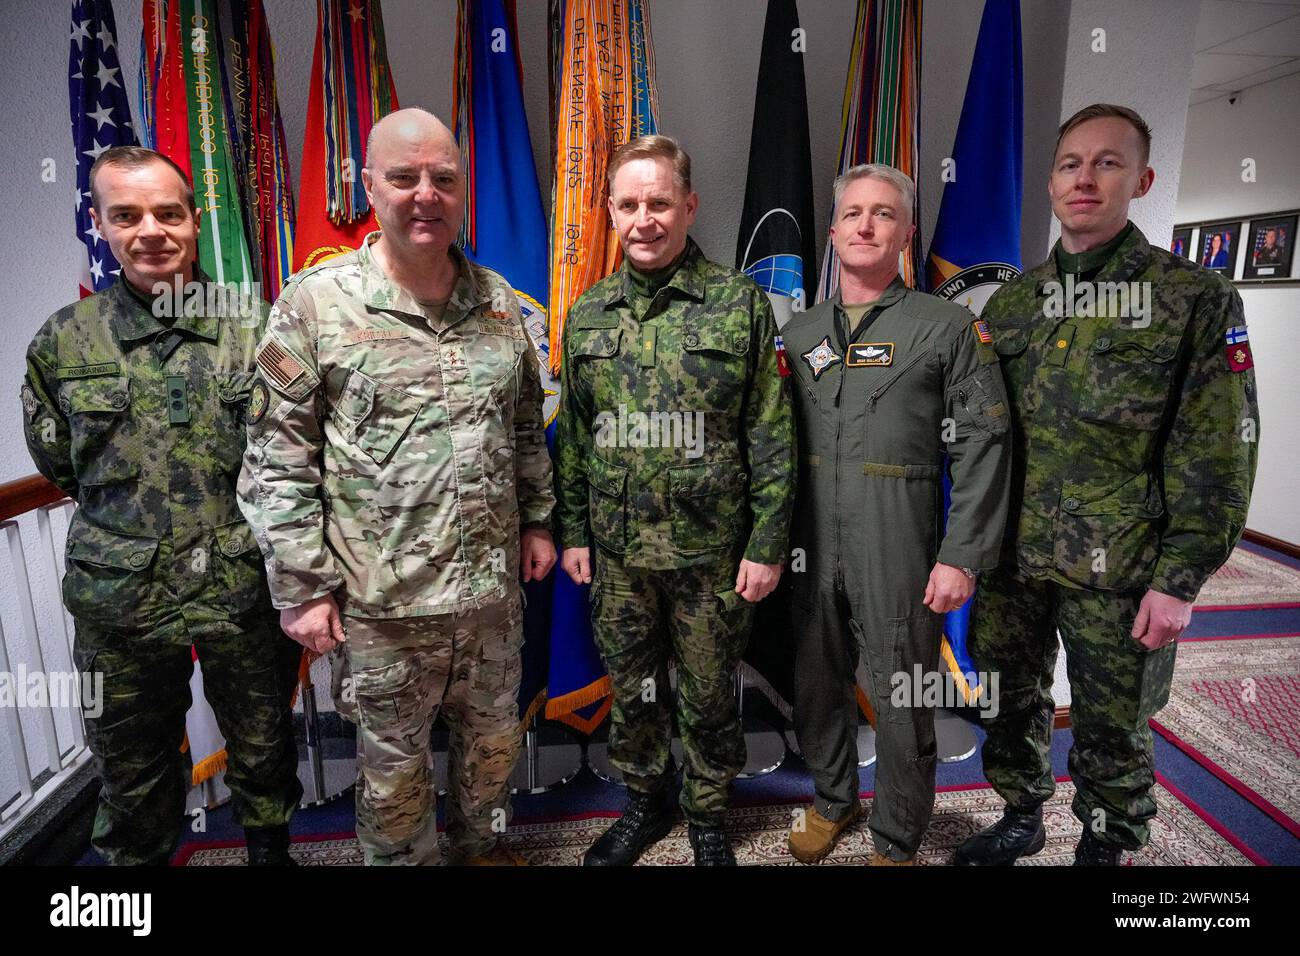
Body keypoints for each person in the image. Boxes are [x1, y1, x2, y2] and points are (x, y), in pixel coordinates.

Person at [237, 109, 556, 866]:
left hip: (488, 598)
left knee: (491, 755)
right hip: (381, 606)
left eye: (443, 179)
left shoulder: (500, 303)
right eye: (405, 177)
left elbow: (520, 429)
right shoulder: (314, 305)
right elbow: (277, 458)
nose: (426, 195)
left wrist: (538, 522)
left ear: (462, 189)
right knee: (393, 781)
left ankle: (484, 853)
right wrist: (302, 587)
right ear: (368, 184)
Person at [955, 104, 1259, 866]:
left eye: (1107, 162)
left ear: (1142, 180)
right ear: (1052, 182)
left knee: (1112, 718)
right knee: (1008, 696)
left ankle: (1107, 841)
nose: (1084, 178)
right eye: (1069, 164)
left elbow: (1219, 448)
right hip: (1014, 559)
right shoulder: (1015, 302)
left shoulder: (1191, 298)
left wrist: (1180, 579)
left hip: (1119, 565)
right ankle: (1022, 811)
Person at [20, 146, 302, 865]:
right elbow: (58, 459)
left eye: (167, 212)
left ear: (194, 220)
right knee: (132, 769)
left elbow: (294, 447)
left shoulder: (257, 326)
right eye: (126, 214)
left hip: (240, 588)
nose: (150, 230)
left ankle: (270, 854)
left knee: (264, 746)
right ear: (100, 223)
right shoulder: (64, 339)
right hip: (121, 599)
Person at [554, 134, 795, 866]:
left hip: (711, 553)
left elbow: (771, 432)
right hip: (621, 552)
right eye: (628, 204)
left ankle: (710, 818)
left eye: (659, 202)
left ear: (689, 205)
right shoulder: (589, 313)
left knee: (709, 692)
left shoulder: (738, 304)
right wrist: (572, 533)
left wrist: (767, 543)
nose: (644, 219)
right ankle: (644, 806)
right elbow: (575, 438)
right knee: (635, 691)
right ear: (610, 214)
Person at [781, 165, 1012, 866]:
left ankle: (897, 834)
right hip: (809, 542)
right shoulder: (799, 332)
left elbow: (985, 443)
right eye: (852, 213)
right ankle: (833, 801)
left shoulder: (946, 328)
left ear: (907, 233)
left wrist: (961, 553)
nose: (865, 225)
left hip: (902, 539)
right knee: (818, 685)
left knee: (902, 695)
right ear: (832, 230)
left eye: (883, 214)